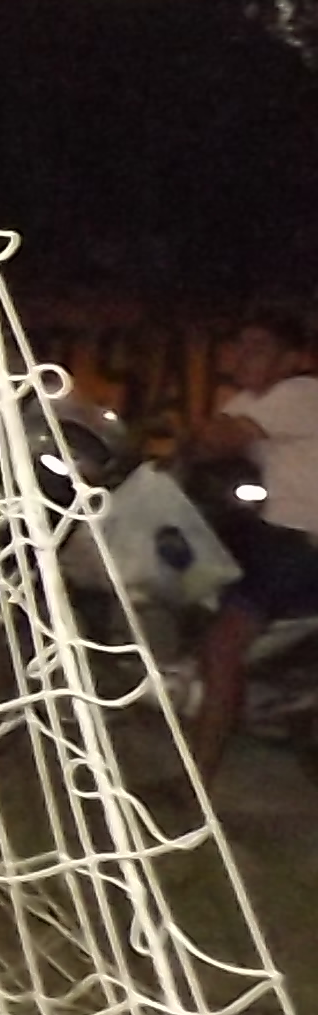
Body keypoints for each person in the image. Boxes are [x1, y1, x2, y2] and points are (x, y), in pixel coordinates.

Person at [190, 312, 318, 780]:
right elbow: (203, 450)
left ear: (292, 360)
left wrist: (199, 434)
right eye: (240, 346)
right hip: (278, 536)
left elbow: (219, 436)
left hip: (301, 542)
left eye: (258, 348)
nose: (243, 357)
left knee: (222, 647)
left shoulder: (299, 392)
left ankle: (196, 783)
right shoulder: (254, 399)